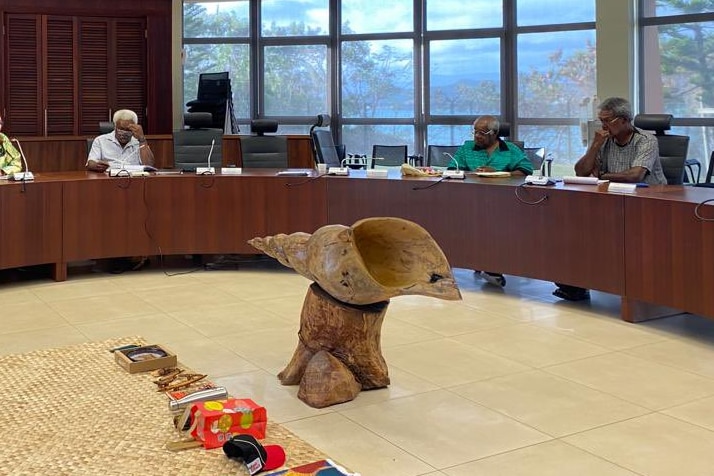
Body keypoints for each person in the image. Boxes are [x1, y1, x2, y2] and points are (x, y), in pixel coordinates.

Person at [553, 96, 667, 301]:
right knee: (576, 230)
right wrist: (595, 145)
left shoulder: (646, 140)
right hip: (612, 200)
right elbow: (580, 171)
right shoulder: (604, 141)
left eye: (607, 120)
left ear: (624, 120)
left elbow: (635, 175)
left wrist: (602, 176)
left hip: (648, 203)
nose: (603, 125)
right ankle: (575, 284)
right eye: (601, 120)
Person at [452, 115, 534, 287]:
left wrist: (500, 173)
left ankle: (492, 264)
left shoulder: (510, 149)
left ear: (495, 133)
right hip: (469, 201)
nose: (477, 136)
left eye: (482, 133)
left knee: (495, 224)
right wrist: (473, 174)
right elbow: (453, 169)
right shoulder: (467, 148)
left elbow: (525, 170)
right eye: (475, 132)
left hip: (503, 202)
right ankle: (480, 262)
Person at [86, 109, 155, 172]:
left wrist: (142, 139)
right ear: (115, 126)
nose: (124, 133)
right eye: (121, 129)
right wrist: (97, 165)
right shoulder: (100, 140)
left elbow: (149, 165)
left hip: (135, 179)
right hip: (108, 179)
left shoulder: (139, 142)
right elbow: (90, 163)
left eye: (128, 130)